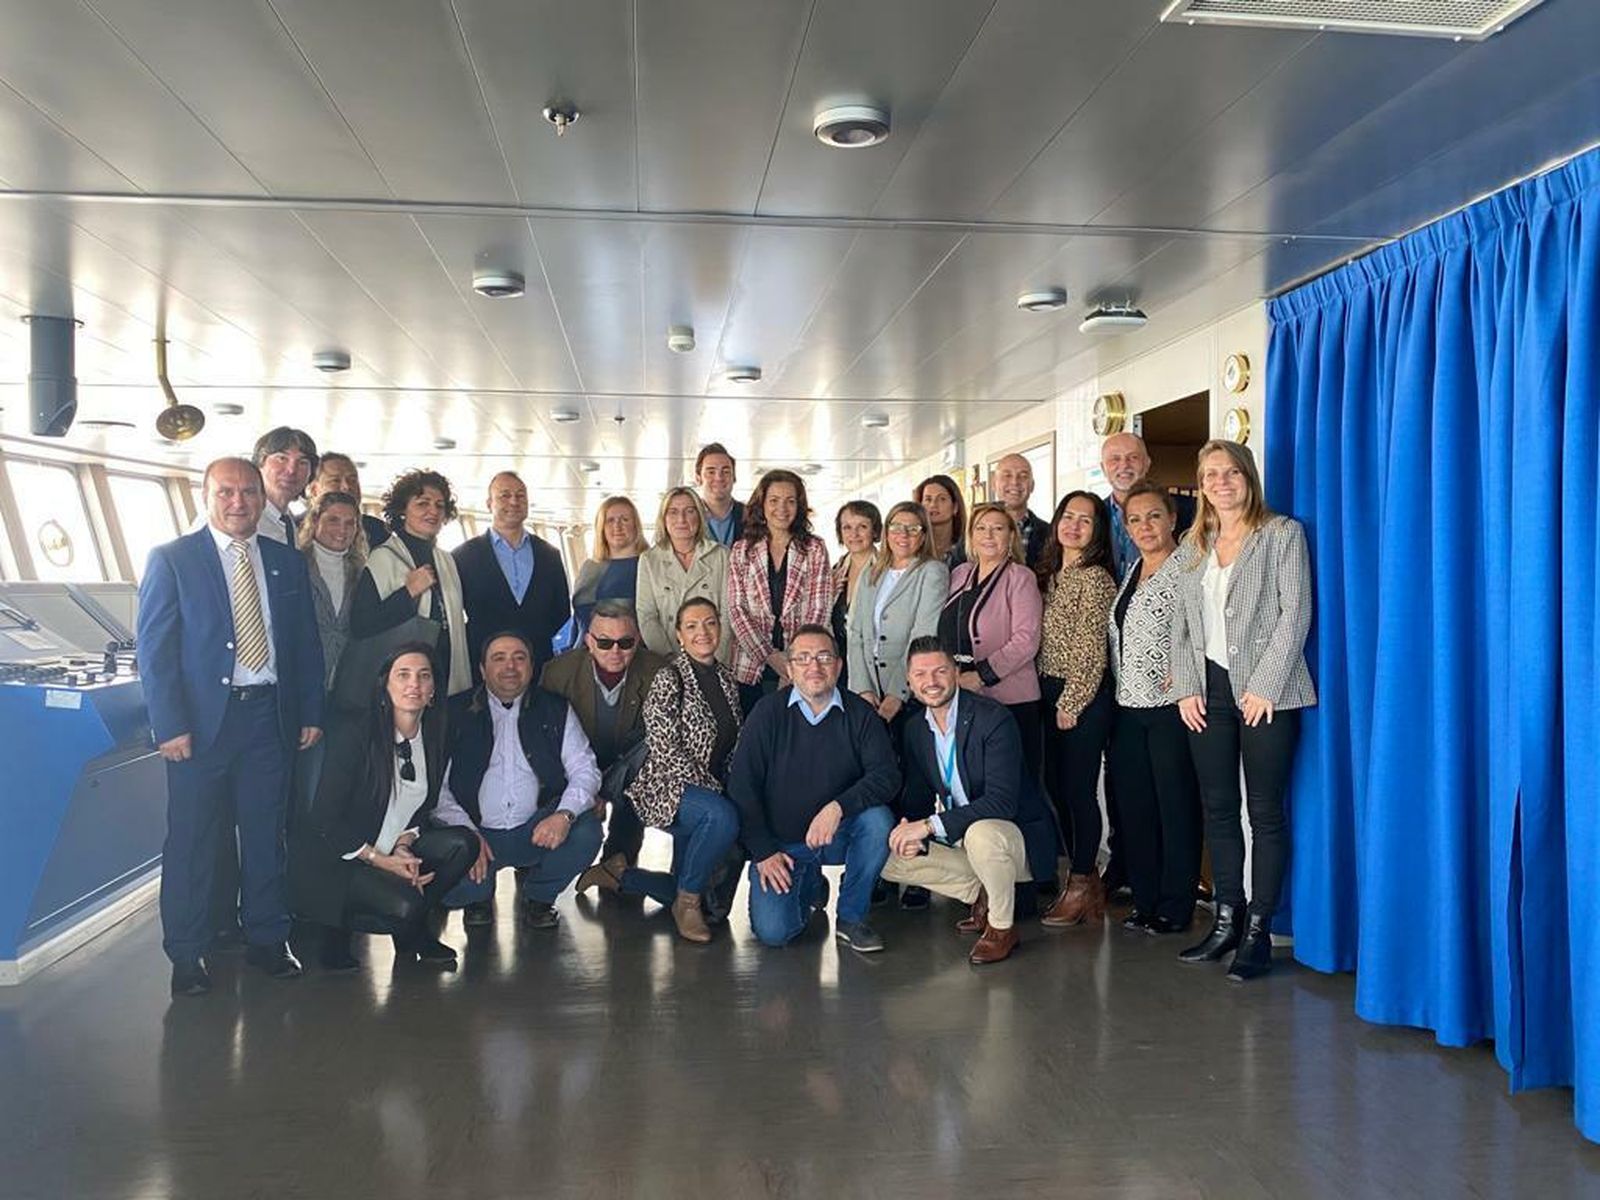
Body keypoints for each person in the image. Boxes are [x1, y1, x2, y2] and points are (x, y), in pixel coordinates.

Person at [136, 457, 324, 996]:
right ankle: (188, 954)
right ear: (205, 496)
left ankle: (268, 937)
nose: (238, 502)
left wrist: (310, 711)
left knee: (267, 834)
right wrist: (169, 725)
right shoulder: (173, 560)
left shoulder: (286, 561)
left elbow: (304, 643)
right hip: (199, 726)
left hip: (269, 716)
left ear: (262, 499)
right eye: (226, 493)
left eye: (247, 492)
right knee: (193, 840)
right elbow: (155, 650)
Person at [1171, 440, 1316, 981]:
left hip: (1266, 693)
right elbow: (1182, 625)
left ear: (1248, 477)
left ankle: (1259, 929)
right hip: (1206, 694)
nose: (1221, 481)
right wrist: (1187, 687)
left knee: (1266, 813)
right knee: (1219, 810)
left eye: (1231, 471)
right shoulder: (1194, 544)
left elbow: (1294, 611)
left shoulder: (1281, 533)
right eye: (1211, 474)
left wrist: (1266, 685)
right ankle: (1226, 918)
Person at [289, 644, 477, 970]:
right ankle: (360, 925)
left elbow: (421, 808)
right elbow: (324, 818)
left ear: (434, 690)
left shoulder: (436, 735)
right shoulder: (356, 735)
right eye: (402, 675)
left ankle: (412, 928)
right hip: (339, 860)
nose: (413, 685)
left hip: (390, 850)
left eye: (424, 676)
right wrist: (378, 860)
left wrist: (404, 848)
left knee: (464, 844)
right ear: (385, 685)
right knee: (404, 907)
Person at [884, 639, 1057, 964]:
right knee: (887, 854)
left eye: (940, 671)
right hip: (965, 840)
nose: (931, 682)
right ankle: (983, 893)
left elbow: (1001, 803)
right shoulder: (915, 730)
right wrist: (910, 831)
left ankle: (1001, 927)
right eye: (920, 674)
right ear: (909, 681)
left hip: (1013, 841)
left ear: (957, 672)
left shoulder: (993, 719)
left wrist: (928, 825)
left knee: (982, 833)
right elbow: (920, 797)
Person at [729, 626, 899, 953]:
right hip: (783, 848)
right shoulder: (767, 714)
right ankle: (807, 882)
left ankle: (851, 918)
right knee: (775, 933)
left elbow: (886, 775)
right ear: (789, 669)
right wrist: (763, 851)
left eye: (824, 657)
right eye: (803, 659)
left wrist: (838, 807)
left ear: (838, 665)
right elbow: (742, 786)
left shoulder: (860, 714)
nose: (814, 667)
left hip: (838, 835)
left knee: (878, 821)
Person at [583, 598, 743, 944]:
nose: (703, 632)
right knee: (723, 817)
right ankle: (686, 906)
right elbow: (665, 748)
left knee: (692, 886)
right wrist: (714, 792)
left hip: (707, 789)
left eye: (710, 623)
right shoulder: (669, 677)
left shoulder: (728, 680)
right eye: (691, 626)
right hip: (668, 787)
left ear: (720, 628)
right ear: (679, 635)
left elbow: (731, 746)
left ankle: (619, 874)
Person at [431, 632, 605, 930]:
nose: (510, 666)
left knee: (587, 831)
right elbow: (436, 789)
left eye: (519, 657)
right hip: (476, 834)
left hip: (535, 829)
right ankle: (478, 898)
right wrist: (467, 833)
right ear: (483, 670)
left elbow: (585, 769)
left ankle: (539, 897)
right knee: (461, 889)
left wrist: (563, 816)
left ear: (532, 667)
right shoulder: (453, 712)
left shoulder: (555, 707)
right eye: (499, 658)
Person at [1106, 483, 1202, 936]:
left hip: (1171, 708)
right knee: (1136, 808)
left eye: (1154, 517)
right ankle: (1144, 900)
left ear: (1173, 519)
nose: (1146, 527)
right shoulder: (1132, 570)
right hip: (1129, 707)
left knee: (1175, 807)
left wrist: (1188, 675)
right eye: (1136, 520)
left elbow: (1204, 632)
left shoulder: (1191, 566)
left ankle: (1175, 904)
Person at [1035, 491, 1118, 926]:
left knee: (1077, 791)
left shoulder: (1096, 579)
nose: (1074, 526)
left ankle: (1084, 881)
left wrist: (1072, 702)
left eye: (1085, 521)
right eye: (1068, 517)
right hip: (1045, 691)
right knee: (1055, 789)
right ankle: (1081, 877)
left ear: (1097, 531)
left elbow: (1091, 649)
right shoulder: (1047, 573)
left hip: (1080, 695)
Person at [540, 601, 666, 869]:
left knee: (639, 786)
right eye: (605, 643)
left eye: (626, 642)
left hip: (630, 764)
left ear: (638, 639)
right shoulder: (557, 673)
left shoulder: (659, 672)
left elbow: (653, 744)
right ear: (588, 641)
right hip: (576, 762)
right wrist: (586, 788)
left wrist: (608, 787)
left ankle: (616, 867)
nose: (616, 652)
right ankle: (541, 866)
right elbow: (547, 746)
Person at [348, 469, 472, 707]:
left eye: (439, 505)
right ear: (403, 511)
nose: (433, 511)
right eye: (422, 503)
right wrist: (407, 593)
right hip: (404, 686)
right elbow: (360, 625)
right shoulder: (383, 558)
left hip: (447, 679)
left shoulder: (446, 560)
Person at [938, 504, 1043, 778]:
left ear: (1011, 536)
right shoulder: (959, 574)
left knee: (1016, 786)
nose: (988, 535)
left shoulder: (1020, 578)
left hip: (1010, 701)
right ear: (971, 536)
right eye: (981, 528)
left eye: (998, 528)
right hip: (963, 697)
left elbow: (1026, 641)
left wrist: (981, 675)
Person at [725, 469, 833, 713]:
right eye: (774, 500)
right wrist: (774, 660)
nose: (782, 508)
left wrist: (794, 663)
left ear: (799, 506)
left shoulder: (814, 548)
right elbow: (737, 611)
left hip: (804, 667)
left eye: (790, 501)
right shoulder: (742, 550)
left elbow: (819, 610)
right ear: (762, 504)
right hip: (751, 667)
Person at [293, 489, 367, 819]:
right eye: (333, 520)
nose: (342, 529)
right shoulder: (294, 565)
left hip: (346, 691)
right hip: (304, 690)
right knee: (304, 779)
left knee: (336, 781)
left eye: (350, 523)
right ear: (315, 521)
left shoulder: (361, 573)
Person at [452, 471, 570, 678]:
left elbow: (561, 613)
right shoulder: (463, 556)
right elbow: (455, 615)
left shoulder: (550, 555)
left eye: (520, 495)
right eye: (505, 495)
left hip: (539, 665)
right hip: (485, 668)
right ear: (489, 504)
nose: (514, 501)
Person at [846, 501, 947, 727]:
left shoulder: (932, 572)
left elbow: (923, 635)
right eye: (896, 527)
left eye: (913, 529)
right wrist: (862, 689)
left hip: (909, 690)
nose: (903, 534)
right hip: (870, 689)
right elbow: (855, 633)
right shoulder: (871, 573)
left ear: (923, 536)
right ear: (886, 532)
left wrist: (896, 693)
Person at [636, 486, 731, 661]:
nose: (681, 519)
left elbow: (727, 613)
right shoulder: (649, 560)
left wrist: (714, 661)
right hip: (668, 660)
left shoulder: (721, 555)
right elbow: (646, 615)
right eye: (673, 512)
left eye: (689, 511)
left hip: (714, 659)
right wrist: (669, 660)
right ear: (663, 518)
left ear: (700, 516)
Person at [1101, 432, 1196, 578]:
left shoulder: (1189, 509)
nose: (1124, 465)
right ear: (1103, 468)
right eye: (1115, 459)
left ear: (1147, 463)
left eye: (1133, 457)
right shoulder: (1094, 514)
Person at [567, 495, 647, 645]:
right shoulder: (589, 567)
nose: (617, 526)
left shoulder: (647, 566)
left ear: (636, 525)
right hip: (583, 654)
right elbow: (577, 620)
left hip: (625, 654)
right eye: (610, 520)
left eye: (625, 520)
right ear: (601, 527)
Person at [830, 500, 881, 691]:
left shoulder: (887, 570)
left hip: (873, 666)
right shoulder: (836, 570)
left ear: (875, 531)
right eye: (847, 527)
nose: (854, 534)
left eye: (862, 527)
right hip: (839, 665)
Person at [251, 426, 319, 544]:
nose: (292, 470)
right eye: (282, 458)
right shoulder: (247, 521)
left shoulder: (289, 522)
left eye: (302, 462)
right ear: (260, 462)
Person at [305, 451, 388, 548]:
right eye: (335, 480)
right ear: (314, 490)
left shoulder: (378, 530)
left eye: (352, 480)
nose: (346, 487)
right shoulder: (294, 529)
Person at [993, 453, 1050, 567]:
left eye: (1023, 476)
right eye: (1007, 475)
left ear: (1032, 485)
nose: (1015, 482)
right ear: (994, 484)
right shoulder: (973, 532)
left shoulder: (1050, 534)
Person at [695, 443, 744, 546]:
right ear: (698, 479)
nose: (719, 478)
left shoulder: (751, 516)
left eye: (726, 471)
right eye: (711, 472)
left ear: (734, 477)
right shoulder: (686, 517)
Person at [916, 474, 968, 569]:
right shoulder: (912, 547)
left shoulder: (967, 549)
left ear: (955, 507)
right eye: (928, 499)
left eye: (942, 499)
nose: (933, 505)